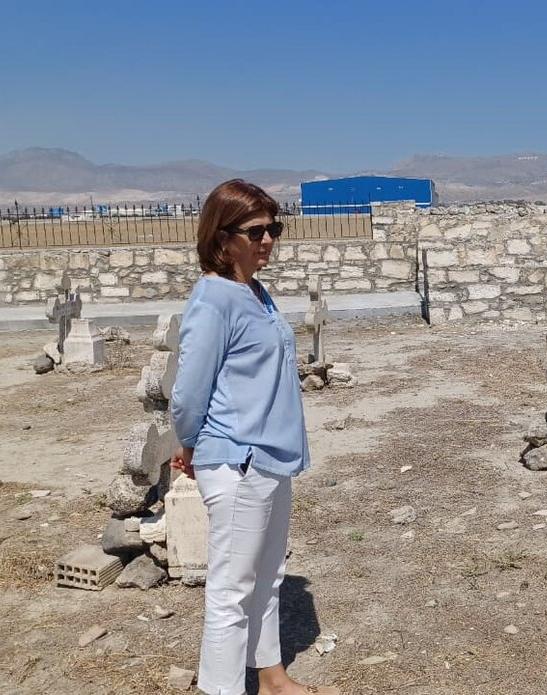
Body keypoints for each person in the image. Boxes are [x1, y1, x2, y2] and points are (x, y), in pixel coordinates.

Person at [170, 179, 339, 695]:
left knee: (268, 577)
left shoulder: (255, 291)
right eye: (256, 231)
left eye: (274, 229)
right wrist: (189, 441)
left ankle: (271, 678)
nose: (268, 240)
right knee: (231, 590)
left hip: (269, 458)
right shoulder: (214, 298)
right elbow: (189, 389)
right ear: (222, 238)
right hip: (238, 459)